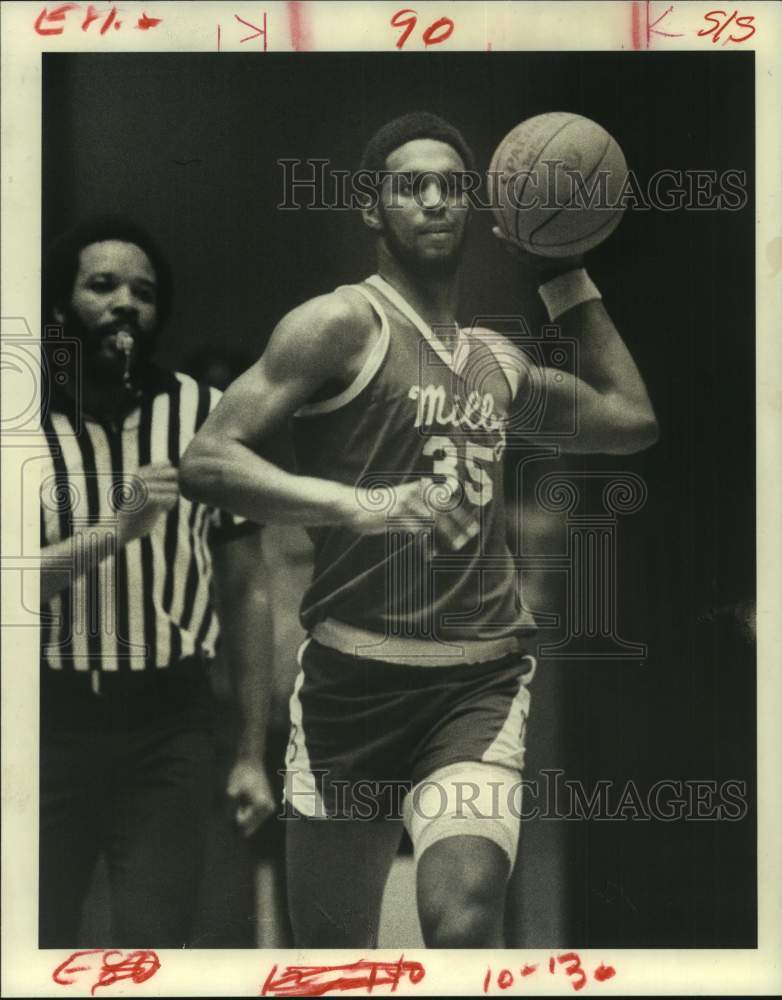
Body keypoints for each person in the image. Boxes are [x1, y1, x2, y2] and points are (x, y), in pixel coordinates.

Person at [180, 112, 659, 948]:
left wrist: (563, 271)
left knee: (464, 922)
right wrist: (355, 503)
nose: (435, 200)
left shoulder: (496, 361)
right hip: (348, 688)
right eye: (411, 185)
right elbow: (208, 460)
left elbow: (629, 419)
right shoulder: (339, 324)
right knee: (332, 955)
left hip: (476, 686)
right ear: (372, 208)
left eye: (452, 186)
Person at [39, 216, 275, 948]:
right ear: (59, 306)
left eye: (143, 292)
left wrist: (250, 752)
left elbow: (246, 587)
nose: (125, 305)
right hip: (43, 721)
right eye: (102, 285)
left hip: (168, 724)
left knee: (154, 944)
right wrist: (116, 527)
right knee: (35, 938)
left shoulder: (204, 419)